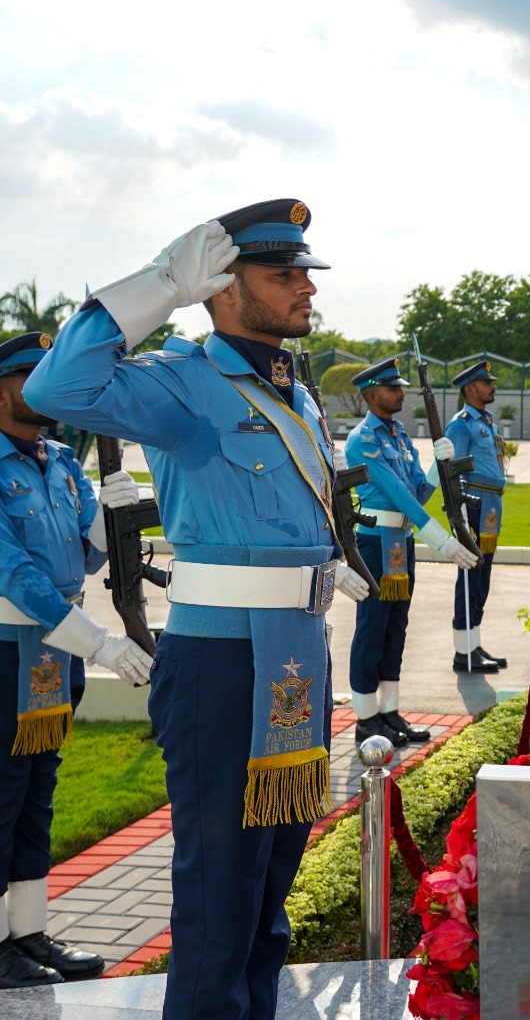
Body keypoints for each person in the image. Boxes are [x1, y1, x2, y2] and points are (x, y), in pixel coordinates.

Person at [26, 199, 370, 1020]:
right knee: (219, 892)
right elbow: (56, 384)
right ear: (222, 287)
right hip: (223, 661)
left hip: (295, 647)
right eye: (282, 274)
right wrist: (158, 287)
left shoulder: (294, 387)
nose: (304, 289)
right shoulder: (186, 382)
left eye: (305, 274)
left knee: (270, 886)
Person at [0, 333, 149, 987]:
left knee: (37, 797)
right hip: (10, 648)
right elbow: (16, 573)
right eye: (30, 375)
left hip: (56, 655)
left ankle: (28, 934)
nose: (44, 387)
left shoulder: (61, 461)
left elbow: (88, 556)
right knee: (2, 799)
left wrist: (112, 513)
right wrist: (100, 641)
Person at [343, 358, 478, 747]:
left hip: (400, 543)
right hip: (374, 542)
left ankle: (389, 713)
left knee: (395, 628)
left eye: (401, 387)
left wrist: (438, 468)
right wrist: (444, 541)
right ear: (371, 395)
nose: (402, 393)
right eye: (393, 388)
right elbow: (400, 498)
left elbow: (419, 491)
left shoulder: (399, 436)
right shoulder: (363, 441)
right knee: (371, 629)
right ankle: (366, 719)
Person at [444, 360, 508, 673]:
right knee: (469, 579)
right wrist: (460, 516)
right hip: (474, 505)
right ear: (471, 389)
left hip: (491, 506)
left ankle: (474, 644)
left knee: (482, 580)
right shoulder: (462, 424)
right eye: (487, 382)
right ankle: (462, 653)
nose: (492, 386)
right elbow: (453, 473)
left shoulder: (486, 421)